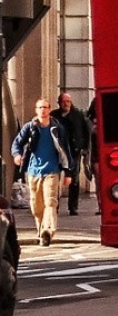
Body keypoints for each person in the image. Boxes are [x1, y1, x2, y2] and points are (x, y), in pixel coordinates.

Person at [10, 98, 74, 247]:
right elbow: (16, 144)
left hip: (52, 171)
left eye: (45, 107)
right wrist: (17, 155)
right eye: (40, 107)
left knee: (50, 202)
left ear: (49, 109)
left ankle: (48, 231)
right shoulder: (30, 127)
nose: (43, 110)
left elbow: (66, 150)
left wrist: (69, 173)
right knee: (36, 205)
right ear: (36, 110)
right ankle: (41, 229)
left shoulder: (57, 129)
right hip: (33, 171)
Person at [54, 91, 91, 217]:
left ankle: (73, 207)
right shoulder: (54, 116)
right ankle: (54, 206)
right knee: (54, 180)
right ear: (59, 103)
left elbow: (86, 132)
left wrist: (85, 148)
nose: (66, 104)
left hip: (73, 153)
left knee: (74, 181)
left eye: (68, 101)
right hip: (57, 153)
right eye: (63, 101)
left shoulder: (78, 115)